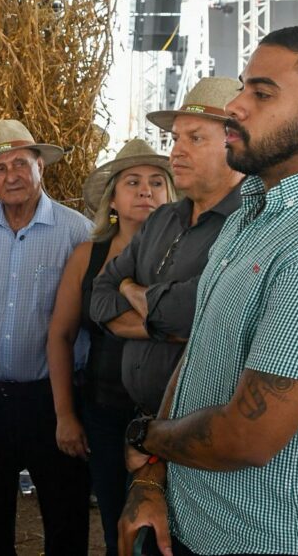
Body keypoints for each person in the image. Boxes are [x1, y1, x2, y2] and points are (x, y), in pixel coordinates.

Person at [119, 25, 298, 555]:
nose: (236, 106)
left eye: (261, 93)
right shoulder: (255, 215)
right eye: (243, 88)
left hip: (277, 540)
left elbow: (248, 436)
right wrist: (152, 480)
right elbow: (198, 357)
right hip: (195, 526)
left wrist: (145, 438)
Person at [0, 119, 92, 555]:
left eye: (21, 163)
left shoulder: (76, 232)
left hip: (54, 399)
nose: (11, 175)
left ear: (40, 165)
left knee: (65, 517)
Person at [46, 139, 175, 556]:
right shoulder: (88, 254)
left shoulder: (190, 255)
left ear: (172, 196)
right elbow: (61, 335)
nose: (146, 190)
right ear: (113, 199)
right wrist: (66, 414)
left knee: (174, 528)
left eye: (157, 182)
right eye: (133, 182)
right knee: (116, 521)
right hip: (104, 410)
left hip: (174, 411)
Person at [90, 78, 243, 417]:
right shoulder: (162, 219)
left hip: (204, 426)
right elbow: (100, 297)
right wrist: (165, 328)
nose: (177, 151)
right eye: (175, 138)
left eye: (196, 138)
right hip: (143, 417)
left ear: (234, 143)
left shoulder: (247, 224)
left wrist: (128, 289)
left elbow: (196, 314)